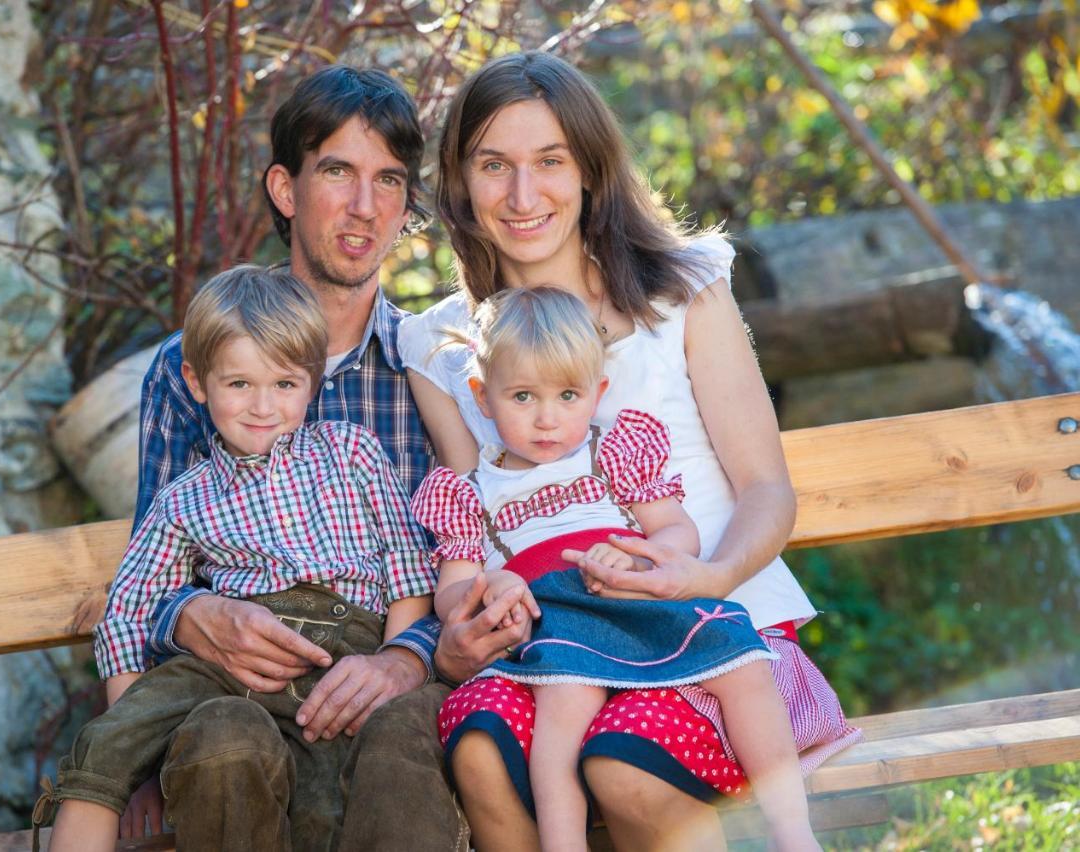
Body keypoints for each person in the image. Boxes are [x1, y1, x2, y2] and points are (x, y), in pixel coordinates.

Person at [399, 51, 862, 850]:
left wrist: (705, 574)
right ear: (459, 181)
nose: (522, 195)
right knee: (478, 739)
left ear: (590, 170)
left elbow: (766, 490)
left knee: (623, 765)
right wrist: (469, 624)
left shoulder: (681, 292)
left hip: (719, 627)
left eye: (550, 162)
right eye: (493, 165)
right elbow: (477, 530)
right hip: (564, 643)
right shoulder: (439, 350)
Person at [122, 65, 523, 851]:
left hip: (399, 710)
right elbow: (150, 580)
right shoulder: (191, 369)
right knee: (225, 753)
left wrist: (406, 660)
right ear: (285, 188)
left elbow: (473, 551)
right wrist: (195, 615)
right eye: (337, 172)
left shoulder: (435, 366)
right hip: (248, 700)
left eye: (389, 182)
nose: (364, 207)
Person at [413, 286, 819, 851]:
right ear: (483, 397)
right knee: (560, 723)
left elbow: (679, 532)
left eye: (568, 395)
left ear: (597, 392)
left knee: (742, 663)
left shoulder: (614, 453)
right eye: (523, 397)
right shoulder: (471, 494)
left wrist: (638, 554)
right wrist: (490, 586)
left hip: (638, 600)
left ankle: (793, 831)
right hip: (559, 625)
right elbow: (451, 593)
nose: (548, 418)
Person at [45, 266, 435, 852]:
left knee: (328, 801)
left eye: (284, 384)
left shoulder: (352, 453)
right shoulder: (186, 497)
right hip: (233, 658)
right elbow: (128, 612)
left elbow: (406, 571)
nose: (262, 407)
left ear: (313, 380)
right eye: (238, 385)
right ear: (197, 383)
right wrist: (142, 753)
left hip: (343, 650)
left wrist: (389, 664)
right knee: (102, 747)